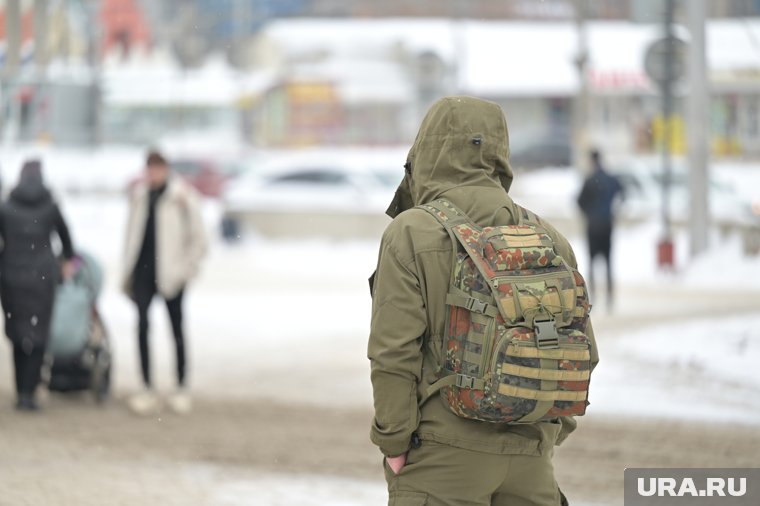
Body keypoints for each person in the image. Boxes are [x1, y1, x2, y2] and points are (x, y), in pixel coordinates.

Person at [368, 97, 598, 505]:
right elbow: (583, 350)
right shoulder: (546, 236)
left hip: (441, 458)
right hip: (531, 461)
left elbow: (393, 353)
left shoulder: (412, 231)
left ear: (427, 148)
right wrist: (544, 434)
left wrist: (395, 444)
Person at [122, 150, 207, 415]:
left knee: (176, 329)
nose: (153, 174)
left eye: (157, 169)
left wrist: (186, 270)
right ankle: (146, 387)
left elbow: (199, 238)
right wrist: (128, 267)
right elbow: (130, 234)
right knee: (142, 326)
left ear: (166, 170)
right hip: (143, 271)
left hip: (171, 273)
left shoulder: (181, 197)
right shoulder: (139, 196)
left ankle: (181, 387)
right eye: (149, 169)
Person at [0, 160, 75, 411]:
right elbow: (68, 242)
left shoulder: (6, 208)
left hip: (10, 277)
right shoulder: (50, 208)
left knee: (18, 333)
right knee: (38, 333)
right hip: (42, 278)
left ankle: (21, 391)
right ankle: (31, 392)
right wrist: (65, 263)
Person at [576, 149, 623, 308]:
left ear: (591, 160)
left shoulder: (590, 180)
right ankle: (609, 297)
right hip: (607, 224)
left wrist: (590, 213)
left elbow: (579, 202)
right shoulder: (610, 179)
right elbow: (622, 192)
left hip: (593, 226)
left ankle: (593, 296)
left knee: (591, 262)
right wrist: (613, 210)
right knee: (609, 262)